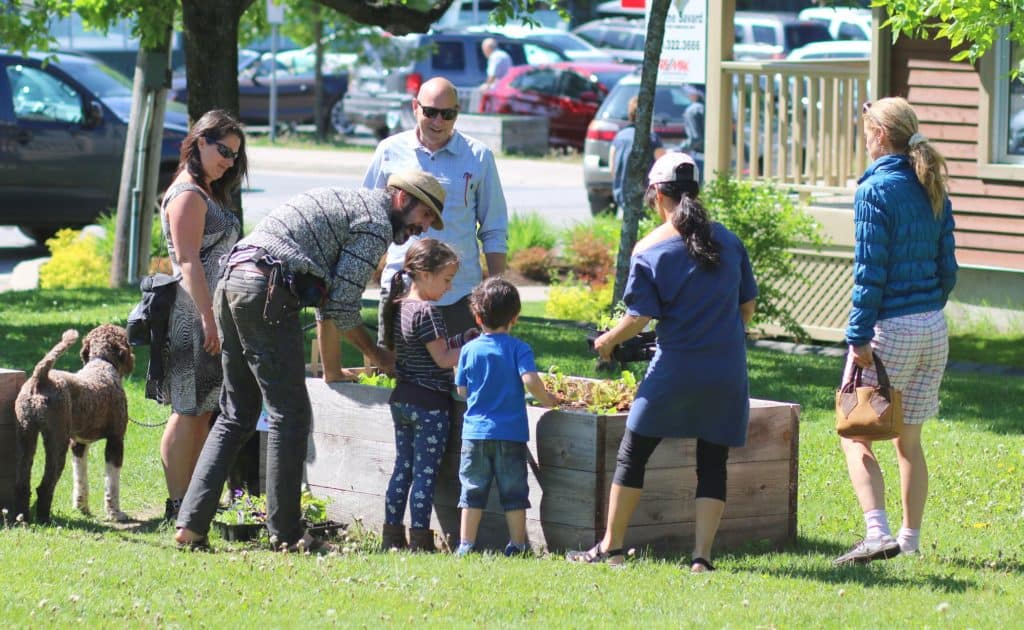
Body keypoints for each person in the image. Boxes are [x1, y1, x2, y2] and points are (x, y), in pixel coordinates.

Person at [173, 170, 446, 552]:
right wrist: (379, 355)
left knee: (237, 413)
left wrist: (333, 370)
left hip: (233, 280)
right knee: (290, 414)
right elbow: (342, 306)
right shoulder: (374, 224)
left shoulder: (350, 203)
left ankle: (191, 525)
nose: (423, 228)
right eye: (426, 215)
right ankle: (286, 534)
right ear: (402, 198)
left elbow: (326, 303)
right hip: (266, 288)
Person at [566, 152, 758, 572]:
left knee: (633, 452)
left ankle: (612, 549)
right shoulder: (729, 240)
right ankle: (702, 559)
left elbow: (638, 318)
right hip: (727, 370)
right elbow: (746, 309)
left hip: (675, 371)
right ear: (696, 192)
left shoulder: (650, 249)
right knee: (712, 461)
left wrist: (606, 342)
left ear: (656, 195)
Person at [832, 97, 957, 566]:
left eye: (867, 132)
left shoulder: (874, 191)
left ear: (881, 136)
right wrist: (927, 306)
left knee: (854, 431)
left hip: (890, 329)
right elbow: (949, 268)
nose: (865, 140)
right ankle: (910, 540)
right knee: (909, 441)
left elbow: (870, 272)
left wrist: (858, 335)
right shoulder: (931, 184)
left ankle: (876, 533)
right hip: (932, 327)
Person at [151, 109, 247, 522]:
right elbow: (188, 261)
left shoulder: (205, 189)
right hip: (191, 316)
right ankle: (178, 505)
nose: (228, 161)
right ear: (199, 142)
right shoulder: (188, 193)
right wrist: (209, 320)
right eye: (223, 150)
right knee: (188, 410)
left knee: (203, 409)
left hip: (207, 313)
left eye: (235, 156)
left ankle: (191, 498)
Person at [364, 77, 508, 337]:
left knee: (460, 375)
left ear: (457, 114)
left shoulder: (479, 156)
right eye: (430, 112)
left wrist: (499, 297)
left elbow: (494, 229)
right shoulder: (389, 150)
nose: (438, 121)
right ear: (415, 108)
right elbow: (368, 220)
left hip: (460, 293)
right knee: (394, 372)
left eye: (447, 114)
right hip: (401, 289)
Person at [379, 238, 478, 552]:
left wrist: (462, 337)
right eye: (447, 279)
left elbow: (433, 347)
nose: (449, 288)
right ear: (424, 273)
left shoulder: (400, 307)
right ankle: (420, 539)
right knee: (424, 475)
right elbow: (445, 359)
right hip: (430, 405)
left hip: (403, 400)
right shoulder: (427, 312)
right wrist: (474, 346)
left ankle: (392, 534)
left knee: (402, 469)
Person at [453, 277, 558, 557]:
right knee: (513, 493)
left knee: (472, 490)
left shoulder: (468, 350)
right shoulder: (518, 348)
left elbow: (461, 388)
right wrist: (548, 400)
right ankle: (518, 545)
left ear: (477, 317)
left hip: (475, 434)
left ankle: (466, 544)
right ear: (515, 318)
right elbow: (530, 380)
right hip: (510, 433)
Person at [609, 96, 666, 212]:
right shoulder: (652, 139)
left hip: (623, 199)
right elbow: (664, 169)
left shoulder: (619, 137)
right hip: (646, 201)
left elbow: (612, 169)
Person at [678, 84, 705, 181]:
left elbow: (695, 138)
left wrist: (679, 148)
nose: (688, 95)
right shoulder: (709, 107)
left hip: (699, 158)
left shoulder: (692, 111)